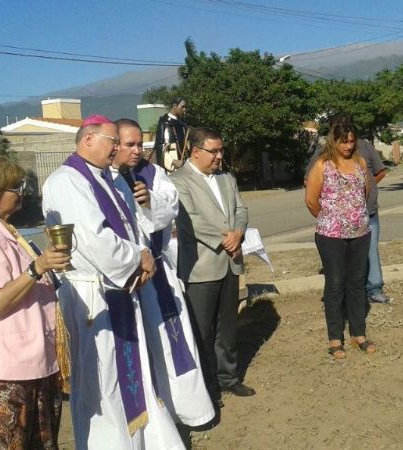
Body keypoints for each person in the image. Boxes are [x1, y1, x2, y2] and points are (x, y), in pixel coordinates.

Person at [42, 115, 185, 450]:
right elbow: (93, 240)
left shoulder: (109, 177)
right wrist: (138, 257)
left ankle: (143, 442)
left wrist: (144, 255)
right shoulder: (67, 181)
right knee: (104, 382)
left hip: (123, 289)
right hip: (95, 299)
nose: (119, 149)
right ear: (89, 139)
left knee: (134, 374)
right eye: (113, 142)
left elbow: (135, 224)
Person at [0, 155, 70, 449]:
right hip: (5, 367)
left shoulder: (5, 231)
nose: (22, 192)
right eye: (15, 187)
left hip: (31, 359)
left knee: (38, 443)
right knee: (8, 444)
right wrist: (37, 268)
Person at [112, 118, 215, 425]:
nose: (136, 151)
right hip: (123, 281)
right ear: (113, 145)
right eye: (128, 145)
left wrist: (147, 202)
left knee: (174, 344)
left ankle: (191, 410)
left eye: (139, 144)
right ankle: (154, 417)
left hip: (155, 275)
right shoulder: (101, 179)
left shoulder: (153, 173)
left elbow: (169, 209)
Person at [170, 127, 255, 405]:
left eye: (221, 150)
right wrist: (225, 240)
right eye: (214, 151)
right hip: (201, 266)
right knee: (202, 330)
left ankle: (228, 377)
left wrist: (238, 233)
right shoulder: (178, 181)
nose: (220, 156)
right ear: (196, 152)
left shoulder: (227, 178)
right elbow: (190, 220)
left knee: (228, 325)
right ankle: (206, 388)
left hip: (230, 262)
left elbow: (241, 210)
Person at [305, 119, 377, 359]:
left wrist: (354, 217)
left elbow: (364, 193)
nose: (348, 146)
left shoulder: (360, 163)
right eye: (343, 141)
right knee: (335, 285)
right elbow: (311, 200)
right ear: (333, 141)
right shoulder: (321, 165)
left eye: (351, 141)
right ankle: (335, 338)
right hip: (330, 236)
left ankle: (359, 334)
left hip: (360, 234)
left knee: (357, 283)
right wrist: (333, 219)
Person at [305, 116, 392, 304]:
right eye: (339, 130)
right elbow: (310, 189)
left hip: (367, 214)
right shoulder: (321, 155)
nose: (348, 144)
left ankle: (374, 288)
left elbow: (380, 171)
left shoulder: (364, 148)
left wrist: (358, 190)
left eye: (349, 136)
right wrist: (329, 215)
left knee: (371, 251)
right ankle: (342, 296)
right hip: (334, 227)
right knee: (340, 265)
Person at [153, 97, 188, 173]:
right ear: (175, 106)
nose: (184, 110)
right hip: (170, 169)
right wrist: (173, 161)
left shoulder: (182, 125)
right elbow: (159, 148)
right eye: (182, 107)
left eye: (185, 107)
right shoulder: (164, 123)